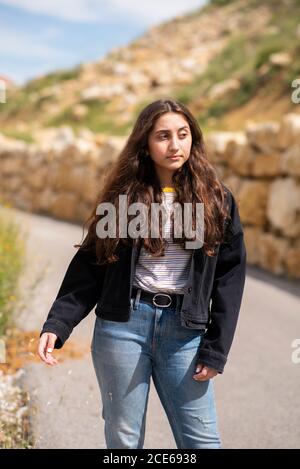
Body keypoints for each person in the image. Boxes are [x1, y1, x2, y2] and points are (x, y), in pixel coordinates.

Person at [38, 98, 246, 449]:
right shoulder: (125, 198)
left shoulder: (216, 199)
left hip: (185, 332)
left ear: (193, 138)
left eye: (182, 134)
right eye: (163, 136)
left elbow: (230, 275)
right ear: (146, 145)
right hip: (123, 328)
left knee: (202, 440)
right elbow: (90, 265)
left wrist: (216, 349)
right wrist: (58, 324)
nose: (175, 144)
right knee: (124, 439)